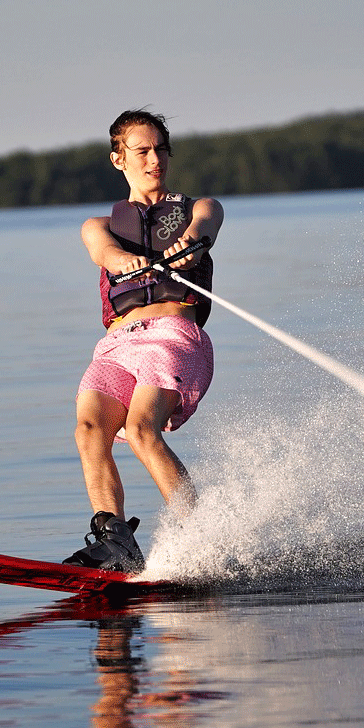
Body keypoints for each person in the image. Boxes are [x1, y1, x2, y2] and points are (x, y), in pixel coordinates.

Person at [64, 110, 224, 572]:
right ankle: (116, 543)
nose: (154, 159)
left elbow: (205, 228)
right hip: (119, 344)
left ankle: (203, 538)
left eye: (160, 149)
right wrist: (124, 262)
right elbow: (104, 253)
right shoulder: (100, 225)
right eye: (142, 150)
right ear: (119, 160)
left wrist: (189, 243)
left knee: (139, 430)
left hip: (174, 336)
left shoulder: (201, 208)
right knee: (89, 429)